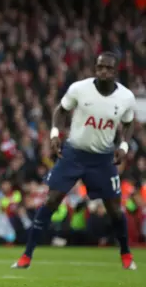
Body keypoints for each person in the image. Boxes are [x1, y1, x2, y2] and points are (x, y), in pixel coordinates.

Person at [12, 52, 137, 270]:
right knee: (51, 200)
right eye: (100, 67)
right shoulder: (79, 89)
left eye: (108, 68)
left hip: (102, 158)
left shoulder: (126, 97)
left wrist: (123, 146)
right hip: (74, 154)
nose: (103, 72)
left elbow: (128, 123)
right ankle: (26, 256)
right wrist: (54, 134)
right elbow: (61, 110)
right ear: (95, 69)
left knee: (115, 209)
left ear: (115, 72)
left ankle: (126, 254)